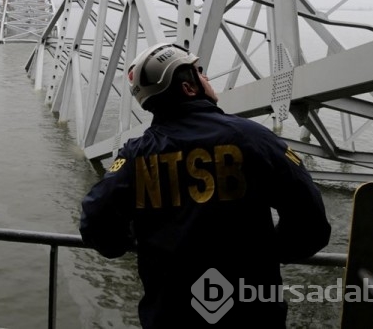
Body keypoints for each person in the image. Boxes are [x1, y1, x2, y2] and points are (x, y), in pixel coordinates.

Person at [79, 42, 331, 328]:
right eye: (199, 72)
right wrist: (269, 254)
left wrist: (128, 244)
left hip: (171, 317)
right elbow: (311, 222)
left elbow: (95, 223)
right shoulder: (252, 138)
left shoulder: (135, 156)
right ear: (188, 89)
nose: (207, 77)